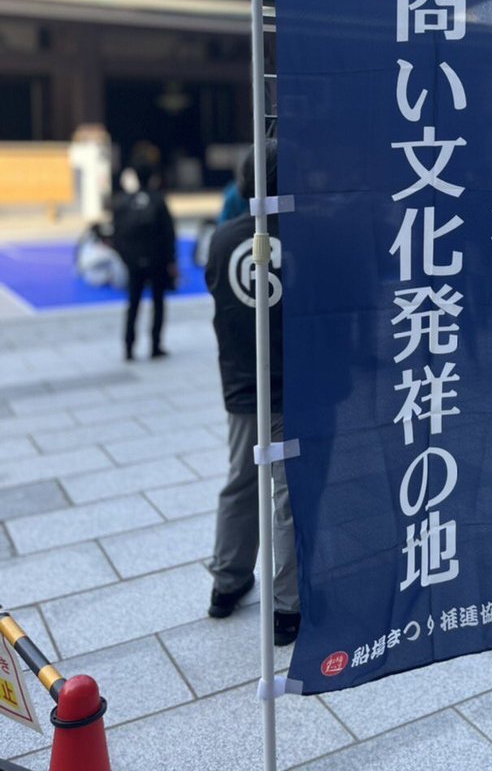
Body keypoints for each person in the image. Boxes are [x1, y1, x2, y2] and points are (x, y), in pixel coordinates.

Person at [204, 141, 300, 647]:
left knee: (241, 483)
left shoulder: (222, 240)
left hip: (242, 384)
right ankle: (287, 607)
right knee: (288, 495)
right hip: (296, 387)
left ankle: (227, 583)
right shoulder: (307, 238)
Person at [112, 165, 177, 360]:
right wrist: (171, 260)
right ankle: (155, 345)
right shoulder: (158, 200)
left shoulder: (124, 202)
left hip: (133, 262)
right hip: (157, 260)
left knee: (133, 303)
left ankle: (128, 347)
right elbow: (169, 233)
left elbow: (116, 233)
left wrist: (126, 259)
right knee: (158, 302)